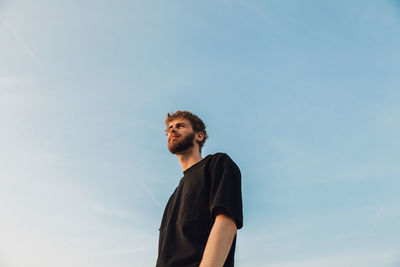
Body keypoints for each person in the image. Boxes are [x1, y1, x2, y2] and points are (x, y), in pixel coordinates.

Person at [156, 110, 243, 267]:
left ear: (199, 136)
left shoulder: (218, 164)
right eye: (169, 129)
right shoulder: (173, 197)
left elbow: (227, 223)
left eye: (180, 126)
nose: (172, 130)